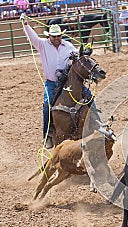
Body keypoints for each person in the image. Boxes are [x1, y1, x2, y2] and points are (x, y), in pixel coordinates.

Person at [20, 14, 95, 149]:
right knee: (47, 105)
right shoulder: (42, 45)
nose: (56, 38)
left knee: (89, 96)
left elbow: (78, 55)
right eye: (53, 36)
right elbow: (32, 37)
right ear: (49, 36)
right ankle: (48, 134)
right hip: (52, 83)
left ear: (61, 35)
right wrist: (25, 24)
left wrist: (85, 52)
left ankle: (98, 123)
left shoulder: (68, 45)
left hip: (68, 80)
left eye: (58, 36)